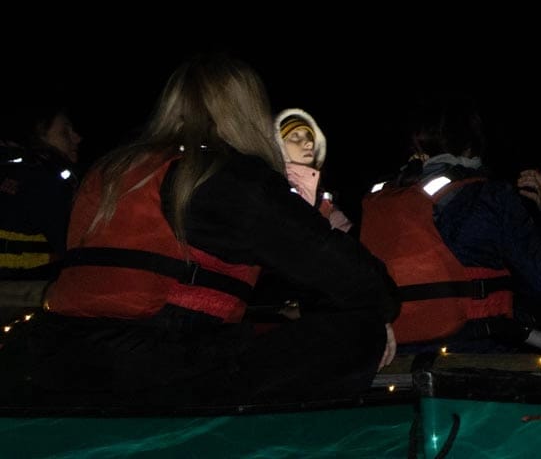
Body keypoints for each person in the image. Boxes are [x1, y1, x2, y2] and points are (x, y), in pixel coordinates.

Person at [8, 54, 399, 407]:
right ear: (248, 112)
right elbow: (355, 280)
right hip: (150, 367)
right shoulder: (224, 178)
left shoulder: (112, 170)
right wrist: (380, 317)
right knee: (359, 330)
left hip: (54, 354)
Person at [360, 94, 541, 350]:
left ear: (419, 146)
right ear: (472, 142)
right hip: (473, 354)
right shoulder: (488, 197)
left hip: (396, 358)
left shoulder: (384, 199)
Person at [1, 106, 81, 279]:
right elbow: (76, 250)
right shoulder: (47, 182)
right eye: (64, 132)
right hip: (26, 288)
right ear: (38, 136)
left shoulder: (9, 173)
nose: (77, 138)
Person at [276, 108, 351, 232]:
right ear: (279, 145)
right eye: (295, 136)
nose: (309, 143)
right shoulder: (274, 188)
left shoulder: (322, 195)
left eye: (309, 136)